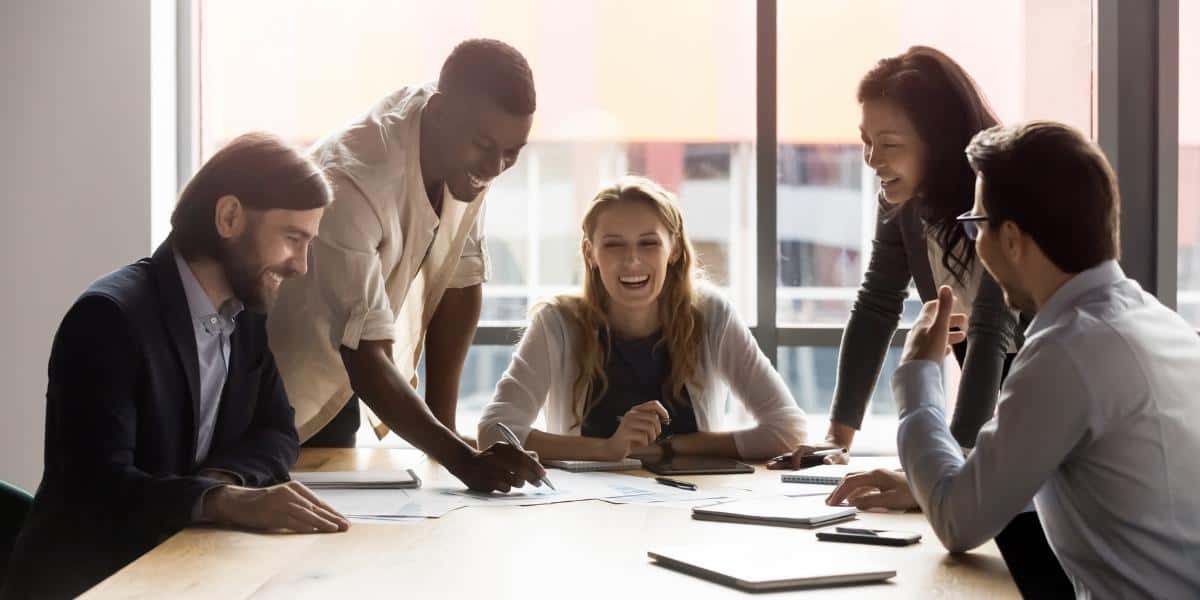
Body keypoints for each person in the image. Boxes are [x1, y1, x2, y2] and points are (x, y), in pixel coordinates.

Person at [833, 121, 1200, 597]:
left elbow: (958, 524)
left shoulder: (1067, 353)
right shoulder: (1153, 322)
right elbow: (1066, 470)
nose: (975, 246)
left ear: (1010, 238)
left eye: (976, 225)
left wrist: (920, 373)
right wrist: (931, 484)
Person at [1, 133, 350, 599]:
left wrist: (217, 485)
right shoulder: (109, 318)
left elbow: (276, 432)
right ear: (229, 218)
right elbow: (97, 484)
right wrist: (225, 503)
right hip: (91, 581)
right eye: (292, 238)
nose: (301, 265)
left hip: (181, 567)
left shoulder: (244, 315)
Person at [267, 39, 546, 493]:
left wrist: (451, 437)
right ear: (439, 114)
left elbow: (459, 279)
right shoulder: (352, 183)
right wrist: (461, 460)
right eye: (486, 147)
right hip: (276, 388)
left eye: (512, 152)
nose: (496, 166)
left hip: (341, 389)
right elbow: (364, 356)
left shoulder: (470, 144)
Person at [477, 176, 807, 461]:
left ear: (674, 249)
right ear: (590, 253)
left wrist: (670, 447)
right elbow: (494, 432)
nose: (632, 260)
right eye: (613, 245)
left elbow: (788, 429)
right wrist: (607, 449)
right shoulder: (557, 323)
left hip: (691, 506)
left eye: (648, 243)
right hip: (584, 511)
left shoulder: (712, 315)